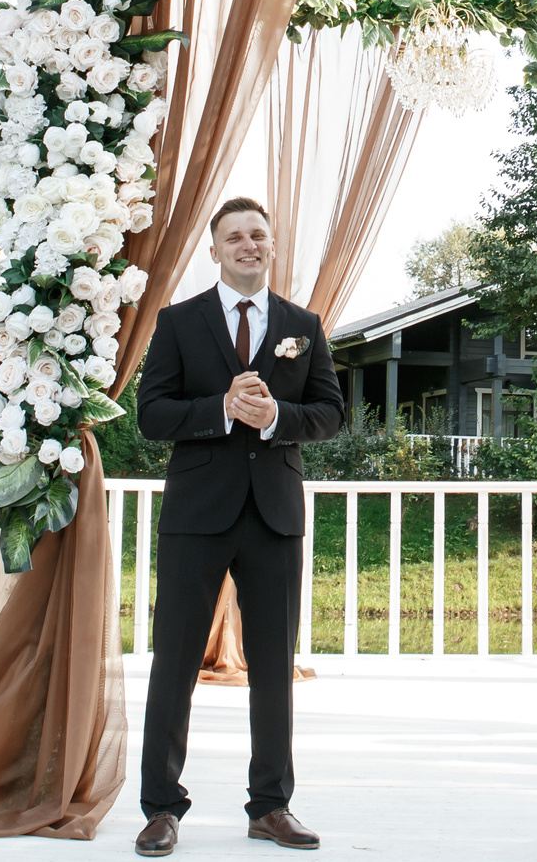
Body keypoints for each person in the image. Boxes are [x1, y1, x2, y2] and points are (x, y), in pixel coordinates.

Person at [130, 198, 344, 857]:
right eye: (235, 237)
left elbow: (331, 412)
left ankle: (271, 805)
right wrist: (220, 409)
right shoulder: (177, 322)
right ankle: (162, 807)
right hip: (198, 514)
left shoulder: (302, 325)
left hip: (274, 515)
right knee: (175, 661)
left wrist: (277, 415)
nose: (248, 245)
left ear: (270, 246)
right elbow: (152, 413)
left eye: (258, 235)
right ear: (215, 250)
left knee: (275, 665)